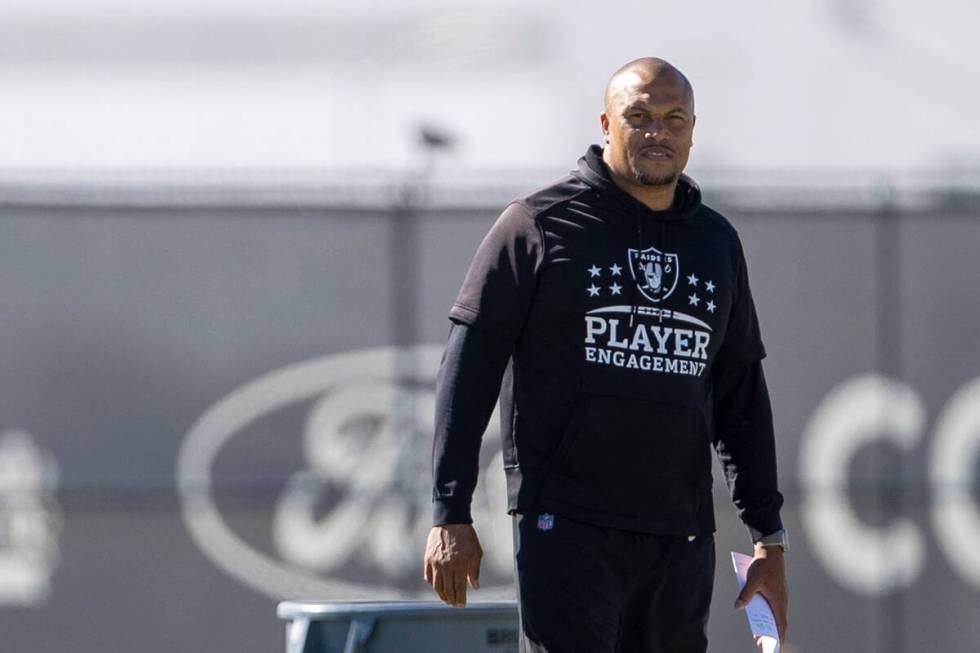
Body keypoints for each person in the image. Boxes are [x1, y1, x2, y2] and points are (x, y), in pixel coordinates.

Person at [423, 57, 788, 653]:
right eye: (638, 116)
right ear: (606, 125)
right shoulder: (536, 224)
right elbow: (468, 370)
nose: (657, 132)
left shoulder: (716, 243)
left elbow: (741, 393)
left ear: (693, 129)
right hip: (567, 527)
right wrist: (449, 511)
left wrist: (768, 536)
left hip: (680, 535)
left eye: (673, 119)